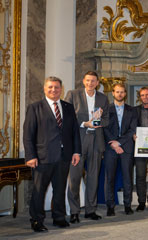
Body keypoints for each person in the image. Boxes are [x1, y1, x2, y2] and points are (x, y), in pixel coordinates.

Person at [24, 76, 81, 232]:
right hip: (42, 157)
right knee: (38, 190)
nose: (53, 90)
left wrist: (76, 151)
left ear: (61, 89)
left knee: (60, 188)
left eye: (56, 87)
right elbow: (28, 134)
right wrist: (30, 156)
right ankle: (36, 220)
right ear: (44, 88)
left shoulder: (68, 107)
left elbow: (74, 132)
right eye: (50, 87)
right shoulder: (35, 107)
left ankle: (59, 217)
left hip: (64, 156)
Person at [64, 71, 109, 223]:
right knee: (74, 178)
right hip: (78, 141)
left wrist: (100, 120)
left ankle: (91, 210)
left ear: (98, 83)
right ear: (83, 81)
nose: (90, 83)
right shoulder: (73, 94)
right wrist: (85, 124)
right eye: (88, 80)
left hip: (96, 142)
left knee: (93, 178)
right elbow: (67, 118)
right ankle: (74, 211)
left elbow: (107, 120)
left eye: (93, 81)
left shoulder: (103, 98)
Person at [103, 83, 138, 216]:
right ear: (113, 93)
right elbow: (104, 128)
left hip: (126, 148)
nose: (120, 94)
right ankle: (110, 206)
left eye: (122, 92)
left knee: (127, 178)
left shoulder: (132, 110)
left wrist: (119, 142)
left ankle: (127, 205)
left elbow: (132, 129)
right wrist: (113, 144)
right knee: (109, 178)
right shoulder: (106, 109)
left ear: (125, 94)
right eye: (117, 92)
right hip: (110, 148)